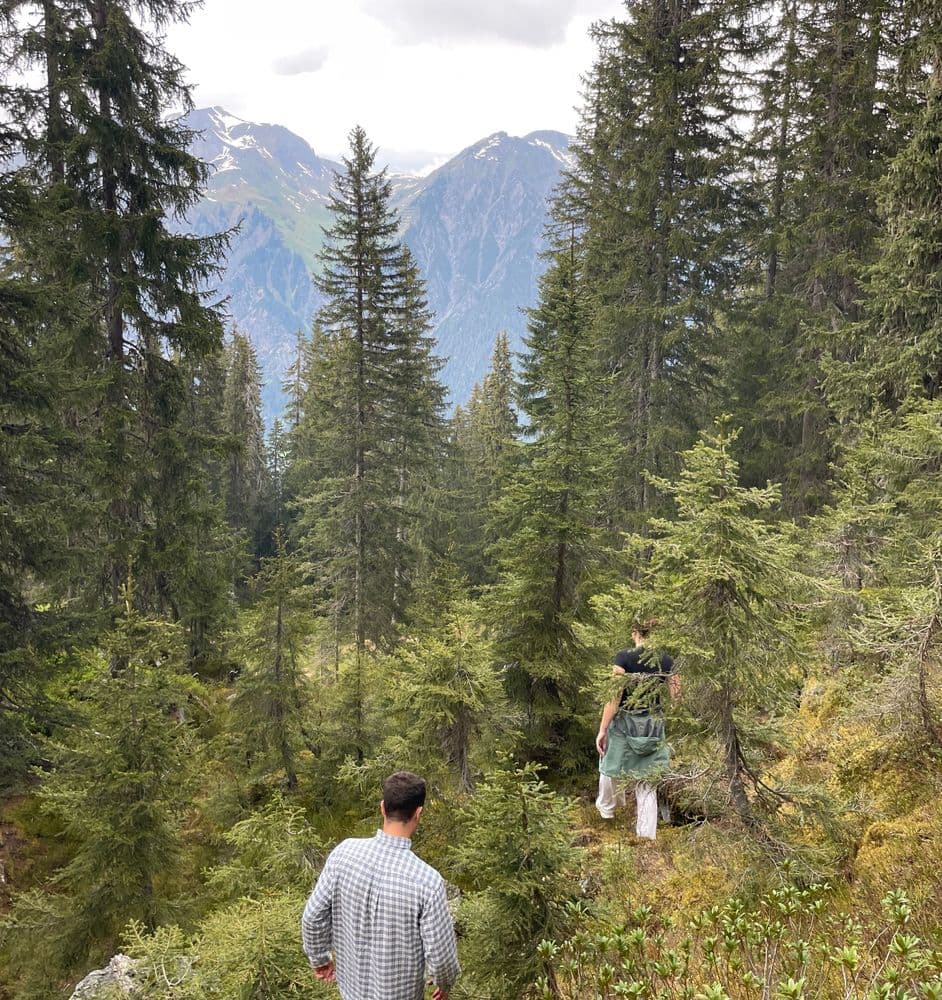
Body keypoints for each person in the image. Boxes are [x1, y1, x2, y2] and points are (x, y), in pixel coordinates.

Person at [301, 770, 460, 1000]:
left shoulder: (343, 854)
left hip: (351, 992)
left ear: (383, 808)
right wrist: (445, 984)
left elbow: (312, 916)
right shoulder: (427, 881)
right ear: (418, 813)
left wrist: (320, 959)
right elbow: (442, 957)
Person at [595, 622, 678, 839]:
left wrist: (602, 729)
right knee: (648, 781)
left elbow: (614, 697)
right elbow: (678, 697)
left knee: (609, 765)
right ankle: (646, 836)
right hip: (653, 723)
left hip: (624, 722)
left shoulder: (623, 658)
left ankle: (607, 809)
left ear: (635, 633)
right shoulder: (667, 660)